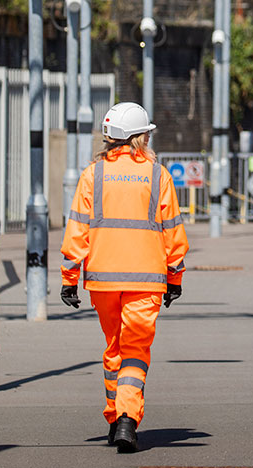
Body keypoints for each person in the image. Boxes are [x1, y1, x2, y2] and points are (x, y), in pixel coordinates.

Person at [59, 102, 188, 453]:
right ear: (139, 137)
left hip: (102, 280)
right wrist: (175, 276)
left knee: (114, 348)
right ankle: (127, 419)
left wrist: (70, 277)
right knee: (135, 350)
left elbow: (77, 230)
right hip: (146, 280)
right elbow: (173, 232)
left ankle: (115, 416)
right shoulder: (156, 175)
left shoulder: (92, 174)